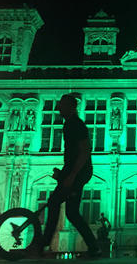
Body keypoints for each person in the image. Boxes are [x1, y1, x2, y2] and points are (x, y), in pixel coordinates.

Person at [34, 94, 100, 257]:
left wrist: (71, 176)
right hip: (74, 172)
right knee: (71, 212)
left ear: (71, 107)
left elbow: (84, 151)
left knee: (54, 202)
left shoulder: (76, 124)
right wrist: (63, 173)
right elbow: (73, 155)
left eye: (62, 106)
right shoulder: (70, 124)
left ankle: (43, 244)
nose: (58, 109)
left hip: (78, 173)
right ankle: (93, 247)